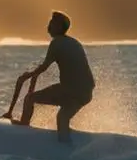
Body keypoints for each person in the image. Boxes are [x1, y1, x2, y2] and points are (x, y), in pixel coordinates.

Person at [5, 11, 95, 144]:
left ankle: (24, 127)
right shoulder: (74, 42)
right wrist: (33, 76)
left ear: (58, 27)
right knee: (62, 118)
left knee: (30, 98)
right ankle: (66, 146)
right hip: (86, 93)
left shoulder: (56, 42)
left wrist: (27, 75)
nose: (48, 27)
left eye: (51, 24)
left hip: (70, 90)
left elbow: (43, 68)